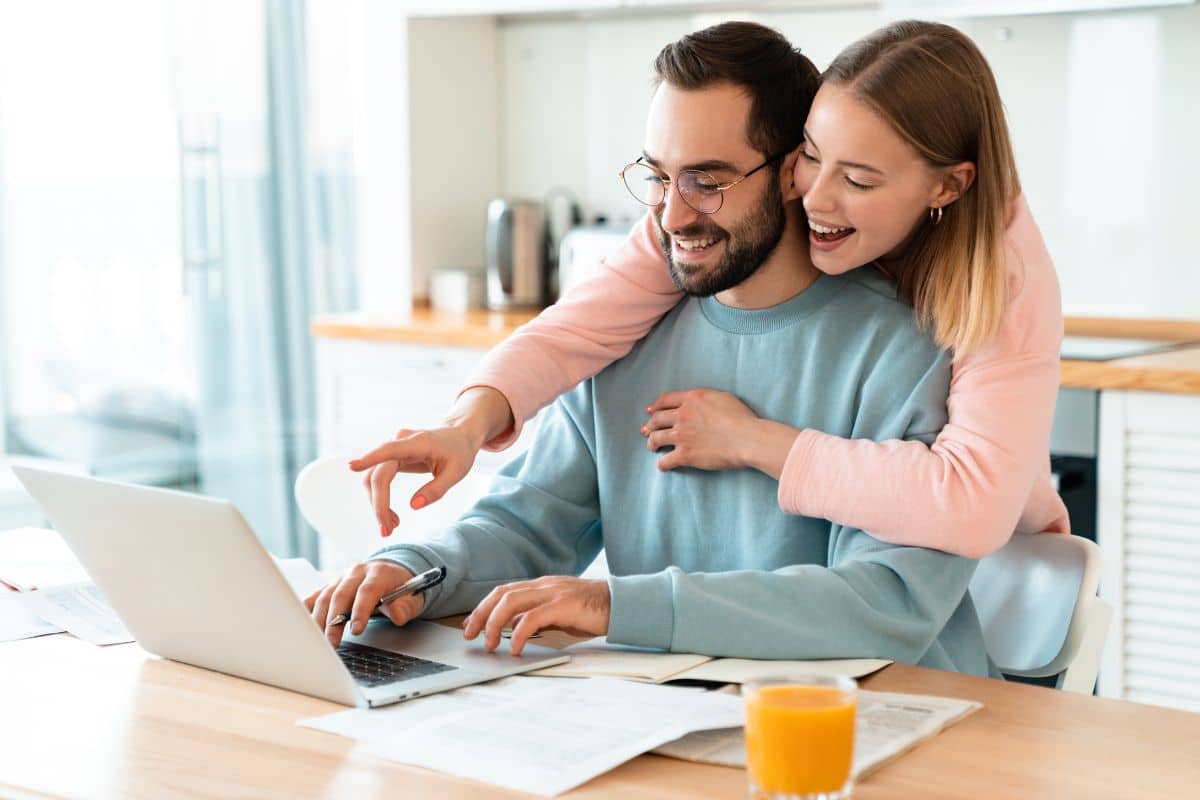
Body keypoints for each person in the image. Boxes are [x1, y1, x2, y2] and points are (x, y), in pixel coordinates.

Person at [308, 22, 995, 677]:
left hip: (884, 722)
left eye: (709, 180)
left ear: (795, 173)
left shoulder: (906, 349)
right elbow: (525, 524)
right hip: (683, 711)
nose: (672, 214)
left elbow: (881, 603)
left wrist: (615, 604)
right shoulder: (628, 330)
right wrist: (414, 570)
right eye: (660, 176)